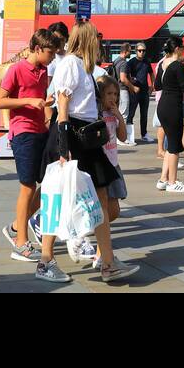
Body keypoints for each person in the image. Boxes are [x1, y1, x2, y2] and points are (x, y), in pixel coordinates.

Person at [37, 21, 138, 284]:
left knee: (102, 197)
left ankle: (107, 262)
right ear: (88, 40)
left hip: (87, 136)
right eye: (97, 38)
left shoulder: (85, 67)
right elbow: (63, 106)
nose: (100, 43)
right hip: (72, 136)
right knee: (58, 199)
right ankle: (46, 259)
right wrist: (63, 147)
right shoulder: (71, 64)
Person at [0, 29, 57, 263]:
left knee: (46, 183)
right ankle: (21, 243)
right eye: (50, 52)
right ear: (37, 49)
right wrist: (28, 101)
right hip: (23, 132)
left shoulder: (43, 71)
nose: (53, 57)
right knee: (28, 187)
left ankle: (16, 227)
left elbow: (40, 99)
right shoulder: (16, 69)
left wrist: (46, 106)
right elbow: (1, 101)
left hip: (40, 131)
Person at [155, 37, 184, 193]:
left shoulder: (162, 64)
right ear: (177, 49)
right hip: (173, 106)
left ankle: (163, 180)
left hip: (162, 106)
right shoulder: (178, 66)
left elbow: (157, 85)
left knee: (170, 144)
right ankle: (173, 183)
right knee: (174, 146)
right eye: (183, 47)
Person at [95, 73, 128, 267]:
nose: (113, 98)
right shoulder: (96, 113)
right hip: (99, 167)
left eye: (116, 94)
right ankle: (101, 253)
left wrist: (119, 117)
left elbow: (123, 137)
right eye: (109, 93)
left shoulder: (113, 114)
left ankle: (100, 248)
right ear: (100, 95)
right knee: (102, 209)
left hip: (113, 165)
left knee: (113, 210)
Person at [120, 41, 152, 146]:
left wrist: (152, 86)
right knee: (131, 113)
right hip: (134, 91)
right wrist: (132, 84)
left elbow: (151, 74)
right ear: (136, 51)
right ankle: (129, 136)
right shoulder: (131, 62)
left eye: (143, 51)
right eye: (139, 51)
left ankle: (144, 134)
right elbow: (126, 75)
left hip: (144, 92)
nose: (142, 53)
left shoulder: (147, 62)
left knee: (144, 114)